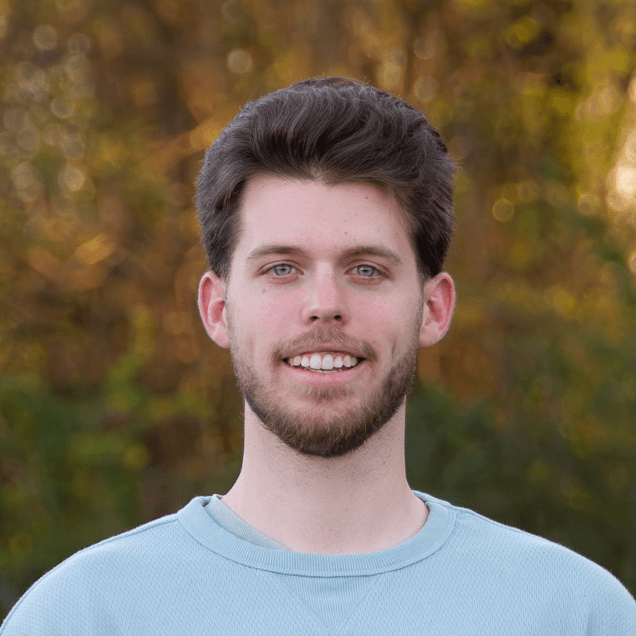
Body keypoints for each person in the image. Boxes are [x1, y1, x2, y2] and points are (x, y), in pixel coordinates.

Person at [2, 77, 635, 634]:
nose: (324, 305)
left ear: (433, 308)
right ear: (217, 309)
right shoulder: (80, 617)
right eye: (282, 268)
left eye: (366, 269)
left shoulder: (573, 615)